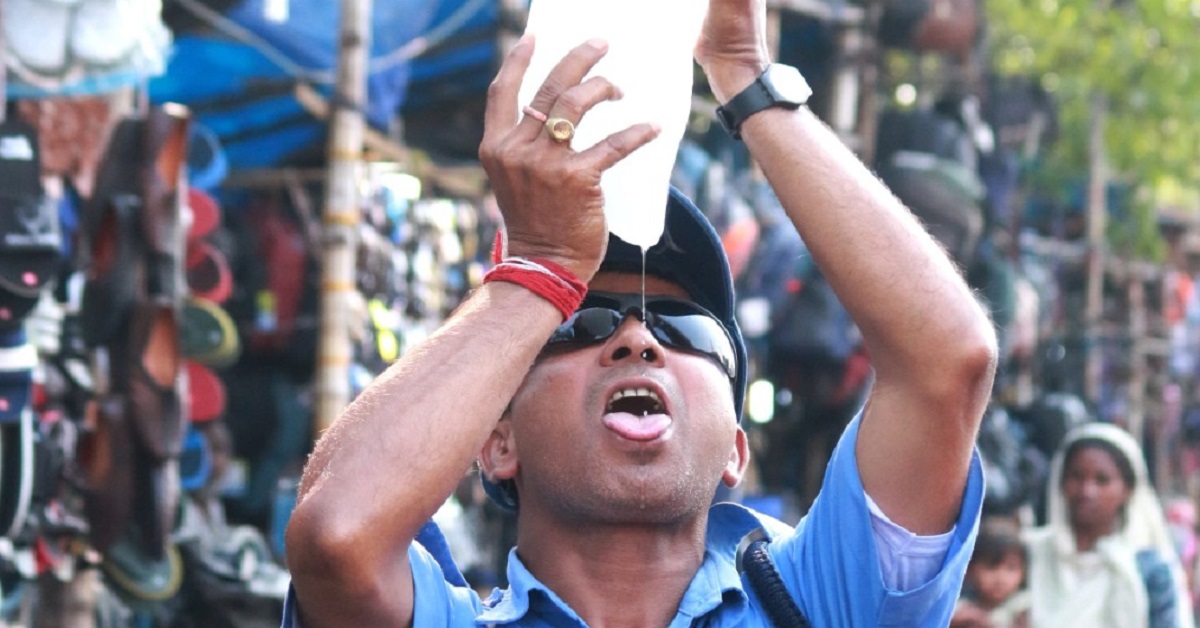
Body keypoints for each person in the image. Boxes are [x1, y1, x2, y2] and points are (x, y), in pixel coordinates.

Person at [281, 0, 998, 625]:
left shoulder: (821, 605)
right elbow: (335, 539)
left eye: (686, 330)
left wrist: (746, 76)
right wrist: (541, 269)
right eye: (579, 322)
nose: (636, 338)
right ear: (497, 444)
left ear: (735, 450)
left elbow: (946, 360)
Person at [1025, 422, 1195, 628]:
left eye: (1102, 480)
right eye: (1076, 477)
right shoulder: (1029, 554)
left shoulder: (1148, 569)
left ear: (1128, 489)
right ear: (1060, 482)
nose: (1087, 491)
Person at [952, 517, 1031, 627]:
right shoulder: (959, 611)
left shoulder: (1026, 609)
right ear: (970, 569)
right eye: (991, 567)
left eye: (1011, 568)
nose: (1001, 578)